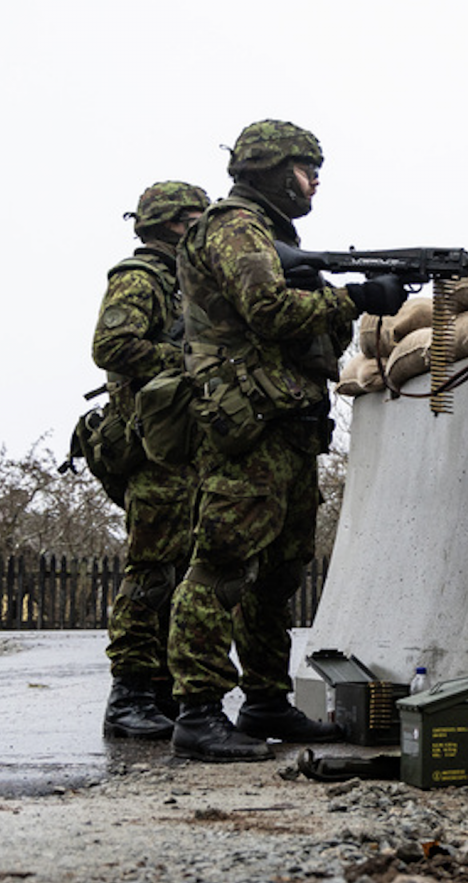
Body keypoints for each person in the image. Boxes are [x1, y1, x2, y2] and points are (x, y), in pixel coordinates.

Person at [166, 120, 406, 763]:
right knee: (222, 565)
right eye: (306, 167)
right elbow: (267, 310)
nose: (316, 179)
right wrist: (354, 298)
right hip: (250, 426)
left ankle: (266, 700)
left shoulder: (269, 235)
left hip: (286, 424)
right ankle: (196, 711)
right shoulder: (235, 225)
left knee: (277, 574)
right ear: (273, 170)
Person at [95, 180, 209, 740]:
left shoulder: (188, 281)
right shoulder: (140, 278)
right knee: (151, 572)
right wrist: (185, 355)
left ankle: (160, 692)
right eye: (197, 217)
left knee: (181, 569)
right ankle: (129, 694)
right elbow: (110, 347)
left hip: (183, 447)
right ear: (171, 224)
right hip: (152, 451)